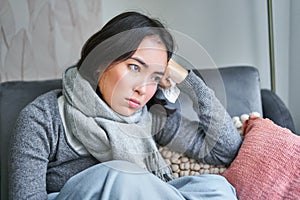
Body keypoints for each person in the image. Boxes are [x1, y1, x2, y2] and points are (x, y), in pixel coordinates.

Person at [8, 11, 242, 200]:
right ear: (101, 62)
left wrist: (188, 80)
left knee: (215, 187)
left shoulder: (151, 117)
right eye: (134, 67)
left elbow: (225, 149)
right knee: (123, 176)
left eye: (154, 77)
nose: (142, 88)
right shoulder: (43, 118)